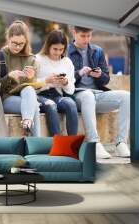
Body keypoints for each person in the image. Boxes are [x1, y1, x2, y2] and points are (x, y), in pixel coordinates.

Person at [68, 26, 130, 159]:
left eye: (89, 36)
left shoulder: (97, 51)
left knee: (127, 97)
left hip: (97, 94)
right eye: (83, 36)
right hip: (78, 94)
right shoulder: (67, 52)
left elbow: (106, 79)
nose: (86, 39)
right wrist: (79, 73)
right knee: (88, 95)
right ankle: (94, 143)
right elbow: (65, 79)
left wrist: (100, 75)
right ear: (74, 33)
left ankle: (121, 142)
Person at [0, 20, 41, 136]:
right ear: (8, 38)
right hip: (5, 99)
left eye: (21, 44)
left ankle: (27, 122)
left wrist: (31, 78)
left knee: (29, 90)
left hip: (27, 97)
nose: (17, 47)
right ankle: (37, 144)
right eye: (14, 43)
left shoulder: (31, 59)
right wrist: (9, 77)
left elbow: (34, 89)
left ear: (26, 42)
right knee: (34, 107)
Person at [35, 29, 78, 136]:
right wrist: (46, 81)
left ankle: (73, 144)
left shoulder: (67, 62)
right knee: (51, 105)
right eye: (55, 49)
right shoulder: (37, 59)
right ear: (48, 46)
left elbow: (71, 90)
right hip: (39, 96)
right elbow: (30, 84)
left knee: (71, 104)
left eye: (61, 49)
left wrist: (66, 82)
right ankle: (58, 143)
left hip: (57, 95)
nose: (58, 52)